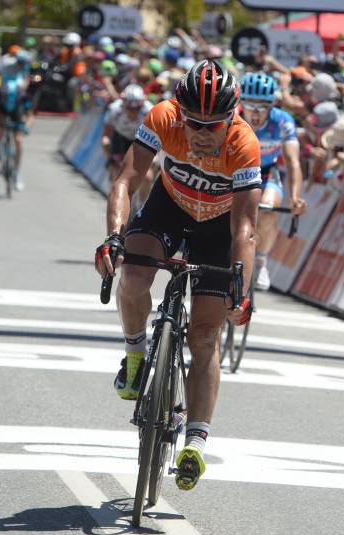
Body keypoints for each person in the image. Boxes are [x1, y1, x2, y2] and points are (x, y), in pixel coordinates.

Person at [95, 59, 260, 491]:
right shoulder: (162, 118)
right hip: (169, 209)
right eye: (194, 123)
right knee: (132, 276)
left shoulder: (244, 144)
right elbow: (125, 182)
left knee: (205, 335)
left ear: (232, 118)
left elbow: (245, 229)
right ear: (179, 114)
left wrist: (240, 290)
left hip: (218, 229)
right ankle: (135, 355)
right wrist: (113, 237)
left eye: (215, 125)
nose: (203, 134)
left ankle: (196, 442)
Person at [238, 73, 305, 291]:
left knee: (268, 208)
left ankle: (261, 261)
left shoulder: (282, 121)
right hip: (233, 172)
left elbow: (293, 162)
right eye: (250, 106)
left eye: (262, 107)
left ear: (272, 105)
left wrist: (295, 197)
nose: (255, 114)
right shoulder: (231, 118)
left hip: (265, 172)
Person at [0, 49, 34, 191]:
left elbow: (31, 114)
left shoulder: (23, 85)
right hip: (3, 96)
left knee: (18, 140)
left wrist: (26, 127)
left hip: (17, 102)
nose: (21, 66)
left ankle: (17, 173)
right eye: (20, 63)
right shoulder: (7, 63)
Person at [102, 84, 153, 190]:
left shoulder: (149, 111)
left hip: (139, 141)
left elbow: (157, 138)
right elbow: (105, 136)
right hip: (120, 138)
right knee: (117, 174)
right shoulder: (115, 109)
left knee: (147, 177)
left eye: (137, 109)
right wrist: (109, 158)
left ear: (142, 105)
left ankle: (141, 204)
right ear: (123, 104)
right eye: (129, 108)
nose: (133, 112)